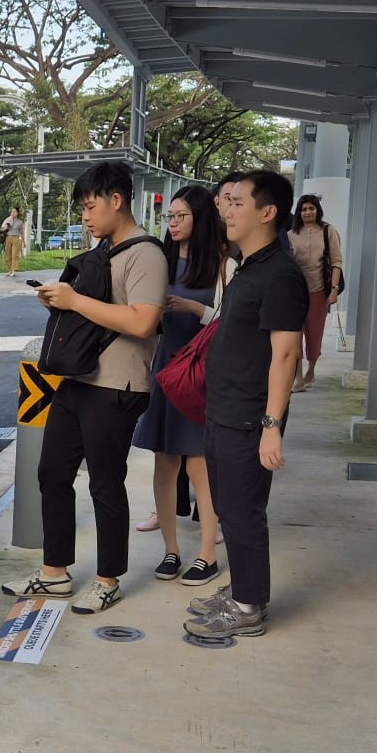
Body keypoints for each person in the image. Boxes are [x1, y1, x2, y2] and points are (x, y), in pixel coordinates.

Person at [4, 160, 167, 615]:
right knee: (51, 474)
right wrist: (63, 301)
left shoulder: (145, 254)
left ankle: (107, 578)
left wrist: (76, 299)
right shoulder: (106, 251)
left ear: (117, 200)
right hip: (79, 380)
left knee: (105, 484)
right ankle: (54, 573)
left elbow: (142, 320)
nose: (87, 217)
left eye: (91, 207)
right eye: (82, 210)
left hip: (118, 385)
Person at [184, 170, 309, 642]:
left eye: (237, 202)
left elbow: (285, 354)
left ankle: (249, 606)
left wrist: (271, 425)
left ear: (267, 212)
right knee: (228, 508)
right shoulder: (250, 265)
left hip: (249, 416)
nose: (226, 210)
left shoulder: (280, 274)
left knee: (243, 512)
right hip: (223, 409)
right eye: (225, 202)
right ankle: (243, 588)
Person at [130, 184, 228, 586]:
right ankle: (171, 551)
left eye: (180, 216)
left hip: (201, 376)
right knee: (165, 463)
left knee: (200, 466)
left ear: (200, 218)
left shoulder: (224, 263)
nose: (171, 223)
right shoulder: (160, 262)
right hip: (164, 370)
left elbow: (229, 323)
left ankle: (207, 554)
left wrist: (194, 308)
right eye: (168, 216)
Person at [284, 193, 344, 393]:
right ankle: (298, 377)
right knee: (295, 335)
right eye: (303, 209)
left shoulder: (328, 231)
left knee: (314, 333)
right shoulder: (291, 235)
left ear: (317, 210)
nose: (308, 212)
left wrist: (334, 290)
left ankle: (311, 370)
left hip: (319, 291)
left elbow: (336, 262)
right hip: (295, 293)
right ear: (298, 212)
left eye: (311, 208)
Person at [1, 205, 25, 275]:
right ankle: (9, 269)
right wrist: (7, 227)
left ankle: (13, 270)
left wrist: (24, 241)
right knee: (7, 254)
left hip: (16, 238)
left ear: (17, 213)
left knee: (14, 255)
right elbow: (3, 229)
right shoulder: (8, 220)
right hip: (8, 237)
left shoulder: (20, 222)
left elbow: (22, 232)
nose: (13, 213)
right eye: (12, 211)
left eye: (14, 211)